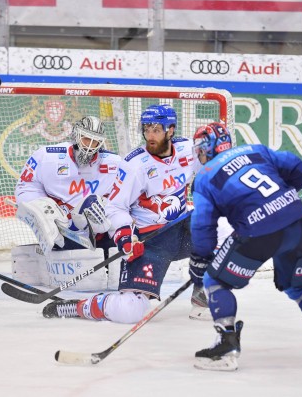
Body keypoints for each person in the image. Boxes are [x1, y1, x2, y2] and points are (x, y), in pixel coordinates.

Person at [188, 122, 302, 371]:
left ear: (208, 148)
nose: (198, 153)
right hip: (298, 222)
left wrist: (203, 256)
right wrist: (279, 202)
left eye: (200, 147)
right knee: (301, 288)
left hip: (258, 233)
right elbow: (301, 171)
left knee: (214, 281)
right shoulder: (256, 150)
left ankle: (226, 344)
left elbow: (202, 226)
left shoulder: (205, 176)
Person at [42, 104, 208, 323]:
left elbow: (215, 162)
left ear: (171, 130)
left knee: (224, 225)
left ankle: (202, 288)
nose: (150, 135)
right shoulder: (134, 165)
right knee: (130, 311)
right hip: (152, 239)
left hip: (183, 227)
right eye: (146, 129)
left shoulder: (188, 150)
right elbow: (115, 206)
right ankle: (81, 307)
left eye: (156, 130)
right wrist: (125, 237)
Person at [13, 116, 121, 291]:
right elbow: (26, 185)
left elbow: (126, 197)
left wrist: (109, 214)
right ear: (76, 135)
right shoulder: (47, 156)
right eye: (86, 139)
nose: (89, 146)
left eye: (95, 142)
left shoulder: (114, 164)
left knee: (94, 204)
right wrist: (41, 209)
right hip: (60, 228)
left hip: (95, 229)